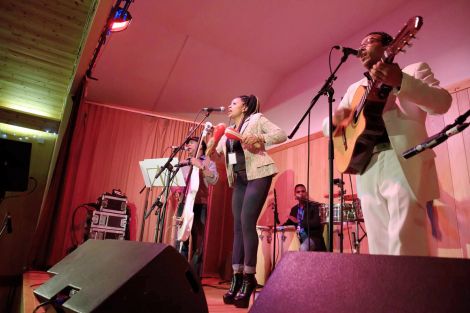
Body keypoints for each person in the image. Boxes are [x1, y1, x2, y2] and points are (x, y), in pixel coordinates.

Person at [323, 31, 452, 256]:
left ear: (390, 46)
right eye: (360, 44)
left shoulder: (413, 71)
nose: (362, 47)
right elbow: (329, 128)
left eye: (369, 42)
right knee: (378, 243)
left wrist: (400, 81)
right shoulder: (354, 90)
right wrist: (337, 120)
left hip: (403, 157)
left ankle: (412, 291)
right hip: (366, 163)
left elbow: (442, 103)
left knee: (406, 237)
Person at [210, 94, 287, 308]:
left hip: (259, 174)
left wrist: (261, 139)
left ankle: (248, 278)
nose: (229, 105)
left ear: (244, 107)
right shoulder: (228, 131)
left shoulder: (257, 119)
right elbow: (218, 154)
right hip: (240, 179)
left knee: (246, 222)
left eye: (233, 103)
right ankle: (236, 279)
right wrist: (211, 141)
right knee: (237, 227)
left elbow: (281, 135)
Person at [179, 137, 218, 277]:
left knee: (198, 242)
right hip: (183, 204)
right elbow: (177, 184)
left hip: (200, 204)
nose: (188, 145)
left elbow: (213, 179)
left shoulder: (209, 162)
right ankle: (180, 276)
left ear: (200, 146)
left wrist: (201, 166)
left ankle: (194, 277)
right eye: (187, 143)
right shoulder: (183, 162)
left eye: (191, 143)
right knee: (182, 239)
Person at [283, 184, 326, 252]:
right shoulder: (294, 209)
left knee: (303, 248)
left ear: (306, 193)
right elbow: (289, 223)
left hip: (313, 238)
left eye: (303, 191)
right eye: (298, 192)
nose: (301, 193)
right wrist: (278, 228)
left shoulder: (314, 206)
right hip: (298, 238)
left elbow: (316, 222)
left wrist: (299, 222)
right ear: (295, 195)